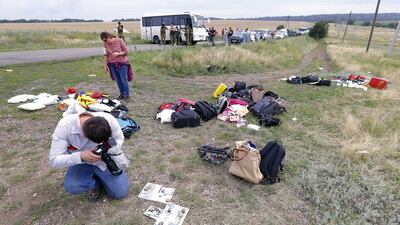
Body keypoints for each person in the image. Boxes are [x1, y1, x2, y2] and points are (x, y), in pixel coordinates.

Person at [49, 112, 130, 201]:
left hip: (104, 161)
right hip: (81, 162)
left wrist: (107, 150)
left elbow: (119, 138)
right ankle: (95, 184)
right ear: (84, 136)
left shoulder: (109, 119)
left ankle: (104, 179)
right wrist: (80, 156)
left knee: (120, 193)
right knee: (72, 186)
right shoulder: (65, 126)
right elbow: (54, 160)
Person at [101, 32, 132, 100]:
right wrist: (105, 65)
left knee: (123, 79)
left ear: (109, 37)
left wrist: (118, 54)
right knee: (118, 80)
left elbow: (126, 52)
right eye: (103, 41)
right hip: (112, 64)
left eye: (105, 40)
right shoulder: (105, 44)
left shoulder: (120, 40)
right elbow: (105, 55)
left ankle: (127, 95)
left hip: (122, 64)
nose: (105, 42)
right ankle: (122, 94)